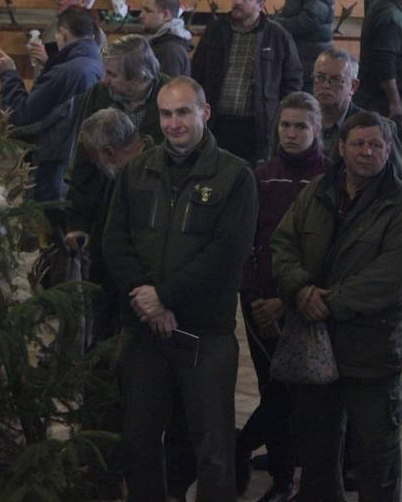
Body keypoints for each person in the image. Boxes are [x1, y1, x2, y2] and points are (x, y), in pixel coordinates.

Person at [103, 77, 257, 501]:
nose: (174, 123)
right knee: (139, 441)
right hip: (143, 330)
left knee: (214, 447)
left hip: (205, 334)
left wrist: (166, 297)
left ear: (204, 113)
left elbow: (228, 253)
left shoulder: (235, 176)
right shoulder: (138, 171)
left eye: (184, 112)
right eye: (166, 114)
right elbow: (115, 240)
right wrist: (146, 299)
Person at [271, 111, 402, 502]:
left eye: (376, 144)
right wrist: (300, 289)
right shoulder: (317, 193)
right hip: (315, 348)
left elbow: (391, 280)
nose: (366, 151)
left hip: (372, 355)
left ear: (389, 150)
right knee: (318, 458)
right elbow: (283, 245)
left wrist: (327, 303)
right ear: (341, 148)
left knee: (377, 459)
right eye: (358, 143)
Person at [236, 93, 332, 502]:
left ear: (317, 129)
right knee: (272, 389)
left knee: (294, 393)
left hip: (304, 301)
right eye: (285, 126)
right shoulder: (261, 175)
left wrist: (286, 300)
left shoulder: (330, 178)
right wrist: (257, 297)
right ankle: (280, 477)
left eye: (301, 126)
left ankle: (240, 449)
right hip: (259, 303)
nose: (291, 134)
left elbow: (329, 252)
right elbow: (249, 240)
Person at [0, 7, 103, 203]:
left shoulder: (68, 71)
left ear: (64, 34)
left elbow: (21, 115)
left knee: (45, 224)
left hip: (52, 163)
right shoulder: (97, 65)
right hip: (77, 164)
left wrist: (9, 73)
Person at [67, 35, 167, 246]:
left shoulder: (170, 98)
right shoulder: (100, 94)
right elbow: (85, 159)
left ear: (140, 77)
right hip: (103, 211)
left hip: (152, 220)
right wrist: (77, 222)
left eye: (112, 74)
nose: (104, 79)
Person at [192, 0, 303, 165]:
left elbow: (292, 80)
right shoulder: (216, 30)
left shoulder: (277, 35)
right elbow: (197, 72)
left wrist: (278, 115)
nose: (237, 2)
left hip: (255, 127)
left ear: (260, 4)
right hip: (216, 123)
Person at [65, 108, 148, 345]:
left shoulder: (144, 178)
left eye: (94, 157)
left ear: (109, 153)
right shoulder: (118, 174)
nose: (93, 163)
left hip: (131, 293)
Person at [313, 47, 402, 181]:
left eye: (335, 79)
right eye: (320, 77)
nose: (325, 85)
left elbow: (398, 185)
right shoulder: (297, 121)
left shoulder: (379, 129)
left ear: (353, 86)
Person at [33, 0, 106, 65]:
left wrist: (47, 62)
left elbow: (79, 71)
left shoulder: (93, 33)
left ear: (83, 1)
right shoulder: (56, 22)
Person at [140, 0, 192, 78]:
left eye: (148, 11)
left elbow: (167, 89)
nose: (141, 15)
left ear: (166, 15)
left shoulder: (170, 51)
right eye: (142, 10)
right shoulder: (163, 43)